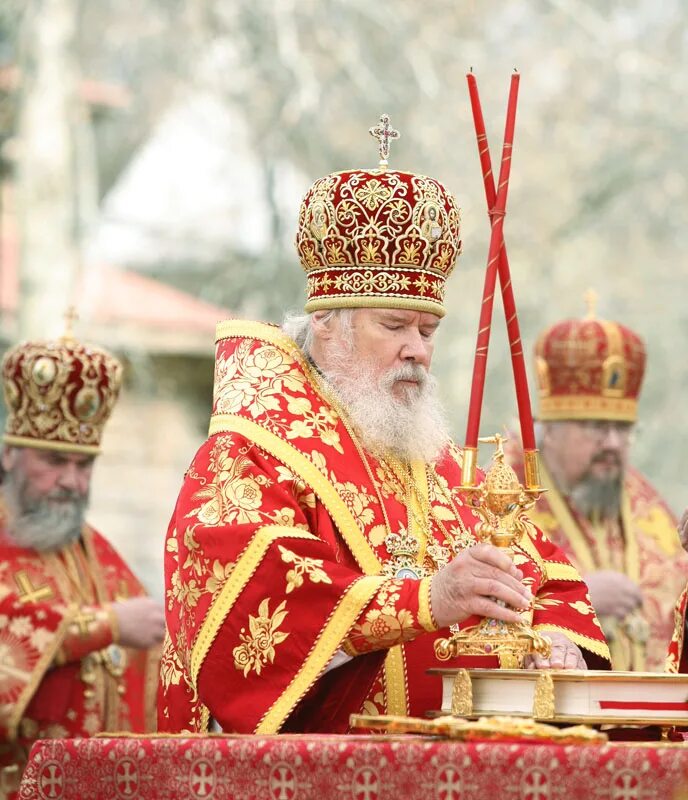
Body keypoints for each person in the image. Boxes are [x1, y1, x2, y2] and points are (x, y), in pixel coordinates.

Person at [158, 118, 609, 736]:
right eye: (393, 326)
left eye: (427, 332)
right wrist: (427, 601)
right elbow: (252, 620)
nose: (417, 351)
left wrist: (558, 640)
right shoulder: (251, 452)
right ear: (327, 327)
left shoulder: (443, 463)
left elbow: (549, 576)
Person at [0, 322, 165, 798]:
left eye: (84, 464)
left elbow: (155, 650)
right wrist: (104, 625)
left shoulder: (96, 550)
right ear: (9, 455)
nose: (72, 481)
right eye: (54, 461)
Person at [507, 297, 688, 672]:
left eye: (622, 429)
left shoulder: (643, 502)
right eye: (594, 427)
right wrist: (580, 600)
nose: (612, 443)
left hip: (650, 722)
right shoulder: (501, 496)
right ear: (549, 431)